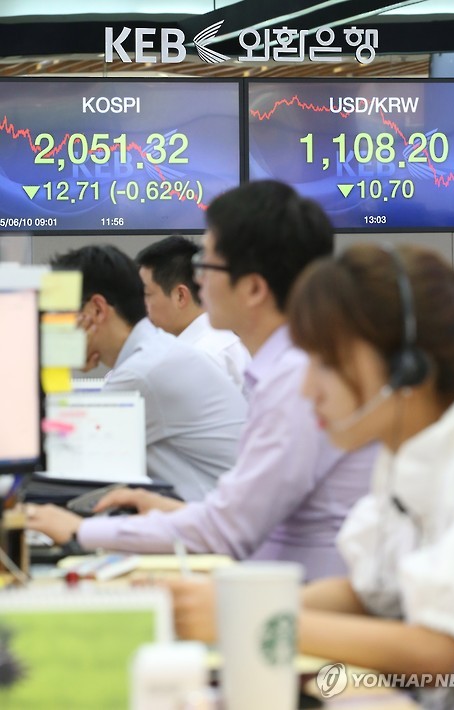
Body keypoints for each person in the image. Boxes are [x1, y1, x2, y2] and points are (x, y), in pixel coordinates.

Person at [157, 244, 454, 709]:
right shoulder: (406, 456)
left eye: (327, 364)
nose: (307, 388)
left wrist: (247, 620)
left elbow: (436, 652)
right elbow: (367, 592)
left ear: (406, 368)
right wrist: (230, 604)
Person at [27, 181, 376, 581]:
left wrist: (80, 531)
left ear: (253, 288)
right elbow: (241, 517)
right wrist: (167, 511)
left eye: (206, 265)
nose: (197, 282)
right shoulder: (283, 370)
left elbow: (231, 530)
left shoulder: (294, 382)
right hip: (275, 574)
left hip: (295, 590)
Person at [47, 244, 248, 501]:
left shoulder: (142, 374)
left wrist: (53, 364)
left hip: (217, 519)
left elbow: (65, 458)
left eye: (60, 314)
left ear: (96, 310)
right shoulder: (155, 353)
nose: (54, 328)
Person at [136, 236, 250, 391]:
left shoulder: (203, 356)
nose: (142, 305)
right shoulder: (210, 345)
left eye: (147, 294)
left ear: (180, 296)